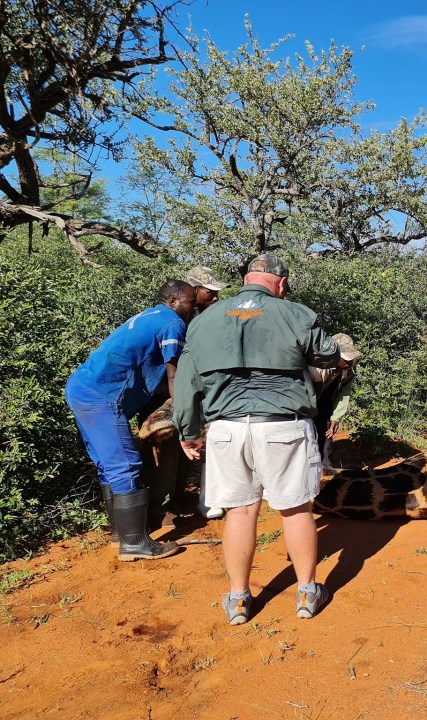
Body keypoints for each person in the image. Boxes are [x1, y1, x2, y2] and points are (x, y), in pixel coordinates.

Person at [172, 253, 340, 625]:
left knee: (240, 511)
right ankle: (308, 593)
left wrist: (187, 431)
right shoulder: (294, 312)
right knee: (296, 510)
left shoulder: (204, 320)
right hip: (282, 426)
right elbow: (328, 354)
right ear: (280, 283)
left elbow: (187, 381)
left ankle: (238, 600)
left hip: (227, 431)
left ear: (246, 278)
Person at [65, 280, 196, 561]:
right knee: (125, 464)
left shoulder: (150, 316)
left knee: (106, 463)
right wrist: (183, 414)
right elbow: (173, 376)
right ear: (174, 301)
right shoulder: (172, 323)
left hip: (81, 388)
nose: (192, 307)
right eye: (190, 302)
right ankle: (135, 542)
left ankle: (120, 534)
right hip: (102, 396)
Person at [140, 265, 232, 527]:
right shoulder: (176, 319)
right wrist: (181, 406)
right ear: (193, 290)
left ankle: (177, 498)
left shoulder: (202, 317)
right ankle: (156, 508)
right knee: (165, 446)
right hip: (164, 394)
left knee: (188, 447)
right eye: (209, 292)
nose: (215, 297)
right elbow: (173, 371)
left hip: (189, 392)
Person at [309, 333, 361, 468]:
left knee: (326, 429)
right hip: (308, 399)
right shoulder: (315, 364)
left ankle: (324, 463)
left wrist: (336, 417)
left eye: (351, 358)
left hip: (327, 398)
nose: (349, 362)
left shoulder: (349, 367)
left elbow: (345, 392)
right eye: (346, 358)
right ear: (333, 355)